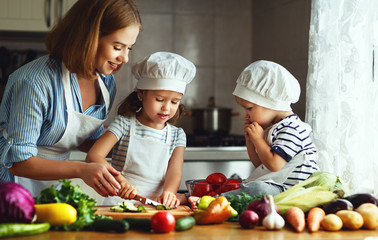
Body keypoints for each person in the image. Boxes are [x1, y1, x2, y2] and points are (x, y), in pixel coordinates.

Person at [0, 0, 142, 198]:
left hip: (52, 188)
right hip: (11, 189)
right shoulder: (34, 82)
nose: (125, 58)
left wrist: (133, 142)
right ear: (89, 37)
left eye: (129, 48)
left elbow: (83, 139)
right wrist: (81, 169)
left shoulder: (106, 82)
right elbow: (18, 162)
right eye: (118, 47)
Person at [183, 60, 319, 208]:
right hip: (277, 186)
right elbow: (261, 165)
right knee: (240, 184)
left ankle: (212, 201)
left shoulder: (291, 129)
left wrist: (259, 139)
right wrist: (251, 142)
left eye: (249, 108)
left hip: (291, 192)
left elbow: (274, 165)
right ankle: (199, 197)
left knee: (257, 189)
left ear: (270, 102)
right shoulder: (275, 127)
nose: (246, 114)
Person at [85, 52, 196, 208]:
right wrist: (120, 181)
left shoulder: (177, 135)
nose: (166, 107)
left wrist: (170, 192)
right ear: (141, 94)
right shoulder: (124, 124)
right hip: (117, 204)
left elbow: (174, 172)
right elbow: (94, 156)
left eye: (174, 102)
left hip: (154, 205)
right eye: (159, 99)